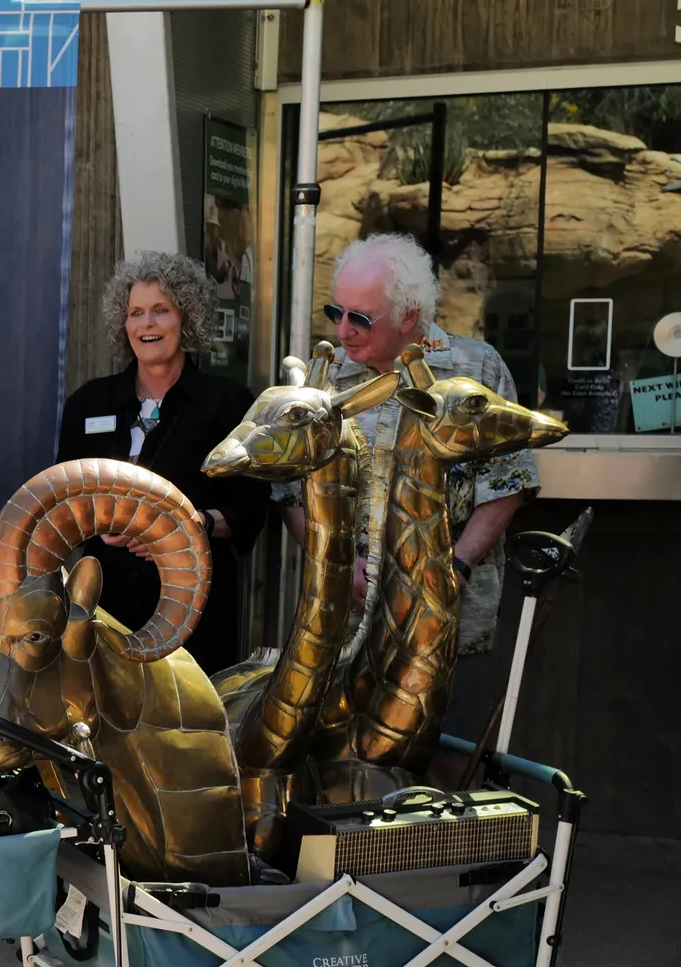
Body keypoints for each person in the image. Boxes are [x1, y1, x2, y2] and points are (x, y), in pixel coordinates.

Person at [281, 232, 539, 752]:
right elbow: (289, 494)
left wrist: (454, 568)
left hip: (448, 631)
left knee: (444, 764)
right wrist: (336, 562)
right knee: (339, 765)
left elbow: (507, 484)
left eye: (360, 318)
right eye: (336, 311)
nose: (342, 330)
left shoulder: (475, 370)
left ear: (410, 315)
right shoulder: (325, 378)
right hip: (342, 624)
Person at [54, 252, 269, 675]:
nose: (146, 323)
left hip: (192, 611)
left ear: (187, 318)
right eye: (135, 312)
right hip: (104, 609)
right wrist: (99, 523)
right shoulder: (89, 403)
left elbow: (250, 509)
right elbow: (64, 500)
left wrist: (188, 524)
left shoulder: (227, 404)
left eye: (161, 310)